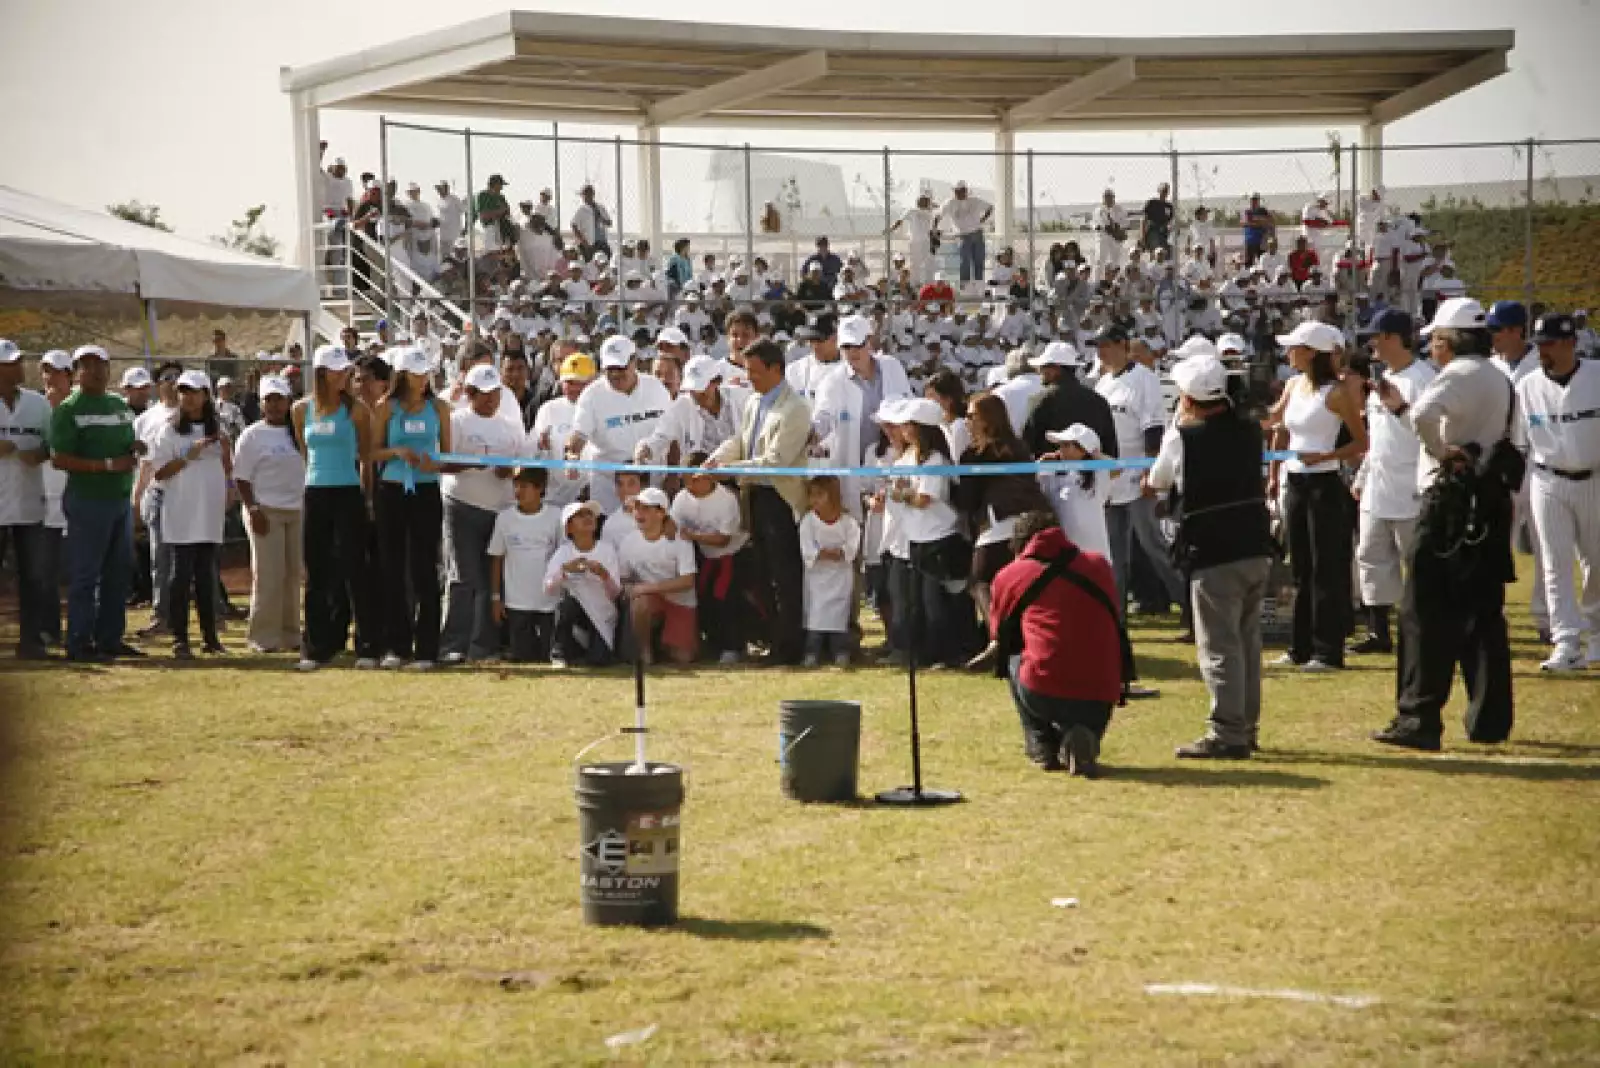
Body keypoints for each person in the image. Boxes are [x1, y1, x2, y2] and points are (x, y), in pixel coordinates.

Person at [1371, 298, 1520, 750]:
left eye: (1436, 339)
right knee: (1483, 616)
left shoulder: (1458, 375)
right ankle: (1489, 719)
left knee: (1423, 612)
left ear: (1451, 340)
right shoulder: (1497, 375)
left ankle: (1418, 717)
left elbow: (1422, 416)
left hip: (1450, 502)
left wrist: (1440, 452)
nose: (1432, 348)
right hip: (1489, 500)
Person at [1146, 354, 1276, 758]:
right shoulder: (1250, 430)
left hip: (1213, 550)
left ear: (1186, 397)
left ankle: (1227, 731)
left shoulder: (1182, 437)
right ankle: (1245, 725)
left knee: (1219, 645)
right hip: (1255, 543)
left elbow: (1158, 479)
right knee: (1247, 643)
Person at [1263, 321, 1367, 671]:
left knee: (1327, 569)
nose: (1289, 353)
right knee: (1301, 568)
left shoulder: (1336, 394)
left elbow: (1360, 442)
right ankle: (1300, 647)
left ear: (1311, 353)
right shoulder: (1294, 385)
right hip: (1296, 484)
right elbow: (1273, 420)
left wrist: (1324, 457)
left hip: (1325, 486)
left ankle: (1328, 650)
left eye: (1295, 347)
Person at [989, 511, 1125, 777]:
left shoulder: (1010, 574)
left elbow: (999, 633)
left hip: (1045, 686)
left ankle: (1041, 744)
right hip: (1104, 687)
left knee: (1014, 656)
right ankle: (1083, 735)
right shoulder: (1099, 565)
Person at [706, 340, 812, 665]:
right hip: (754, 497)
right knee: (762, 573)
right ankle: (772, 640)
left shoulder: (795, 409)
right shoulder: (754, 401)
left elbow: (775, 460)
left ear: (775, 369)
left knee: (785, 576)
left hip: (780, 500)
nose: (748, 376)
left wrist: (729, 471)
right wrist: (716, 460)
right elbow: (742, 441)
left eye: (754, 371)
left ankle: (790, 646)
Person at [1516, 313, 1600, 671]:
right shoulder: (1528, 385)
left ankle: (1597, 636)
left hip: (1595, 476)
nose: (1542, 351)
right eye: (1539, 345)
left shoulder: (1597, 376)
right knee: (1554, 564)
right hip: (1548, 478)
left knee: (1597, 562)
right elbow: (1521, 441)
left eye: (1549, 344)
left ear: (1569, 343)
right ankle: (1565, 642)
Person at [50, 345, 144, 663]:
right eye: (86, 366)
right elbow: (59, 458)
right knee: (86, 575)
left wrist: (134, 446)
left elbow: (124, 442)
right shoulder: (69, 409)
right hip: (88, 499)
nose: (94, 371)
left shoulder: (118, 404)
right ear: (76, 372)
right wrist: (105, 465)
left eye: (99, 364)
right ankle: (78, 641)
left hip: (119, 498)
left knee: (118, 573)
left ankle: (109, 638)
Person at [1350, 309, 1435, 656]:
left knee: (1417, 564)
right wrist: (1363, 475)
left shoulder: (1423, 379)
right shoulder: (1381, 380)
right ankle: (1378, 631)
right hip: (1379, 486)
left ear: (1392, 338)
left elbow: (1430, 433)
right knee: (1371, 557)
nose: (1372, 343)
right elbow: (1379, 438)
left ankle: (1426, 630)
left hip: (1412, 486)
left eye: (1376, 336)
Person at [293, 345, 380, 671]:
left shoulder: (357, 410)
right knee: (316, 571)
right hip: (316, 492)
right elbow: (306, 451)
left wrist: (367, 498)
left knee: (356, 569)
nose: (346, 375)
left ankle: (367, 646)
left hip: (348, 493)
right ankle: (317, 646)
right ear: (321, 373)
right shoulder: (301, 410)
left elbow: (366, 458)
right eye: (339, 370)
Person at [1094, 324, 1187, 615]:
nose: (1101, 352)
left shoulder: (1144, 379)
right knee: (1114, 552)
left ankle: (1191, 607)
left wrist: (1150, 471)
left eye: (1106, 345)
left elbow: (1153, 428)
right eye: (1098, 346)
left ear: (1122, 344)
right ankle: (1115, 614)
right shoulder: (1102, 384)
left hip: (1138, 475)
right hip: (1111, 479)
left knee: (1153, 545)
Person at [372, 346, 451, 670]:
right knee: (392, 568)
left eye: (425, 373)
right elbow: (371, 452)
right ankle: (396, 645)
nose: (422, 380)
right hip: (391, 491)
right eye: (416, 374)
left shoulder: (440, 407)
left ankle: (427, 649)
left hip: (426, 492)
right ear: (401, 375)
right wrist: (396, 452)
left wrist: (437, 465)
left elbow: (449, 455)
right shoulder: (385, 407)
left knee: (424, 568)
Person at [440, 363, 523, 665]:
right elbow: (441, 462)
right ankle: (453, 644)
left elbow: (520, 465)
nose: (490, 400)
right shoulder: (455, 421)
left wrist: (508, 471)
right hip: (460, 505)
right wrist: (468, 463)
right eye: (484, 394)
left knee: (490, 581)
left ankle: (483, 645)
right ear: (470, 393)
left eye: (495, 394)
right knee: (462, 577)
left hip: (498, 510)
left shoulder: (510, 427)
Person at [149, 371, 231, 659]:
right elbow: (159, 472)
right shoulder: (168, 431)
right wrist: (187, 457)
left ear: (206, 395)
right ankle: (180, 638)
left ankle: (211, 638)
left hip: (208, 512)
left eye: (195, 391)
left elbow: (227, 464)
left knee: (207, 576)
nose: (188, 397)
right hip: (181, 512)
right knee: (180, 576)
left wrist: (228, 489)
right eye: (184, 391)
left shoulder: (217, 430)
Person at [892, 398, 975, 669]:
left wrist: (902, 493)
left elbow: (924, 498)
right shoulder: (905, 458)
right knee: (918, 601)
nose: (903, 429)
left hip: (939, 538)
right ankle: (925, 652)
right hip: (915, 537)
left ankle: (949, 654)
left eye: (909, 425)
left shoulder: (936, 460)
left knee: (936, 602)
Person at [1486, 300, 1549, 642]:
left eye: (1497, 329)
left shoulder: (1539, 363)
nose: (1492, 337)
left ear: (1515, 330)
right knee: (1498, 542)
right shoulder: (1490, 365)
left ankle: (1547, 619)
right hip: (1501, 459)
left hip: (1538, 458)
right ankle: (1492, 614)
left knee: (1545, 543)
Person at [955, 393, 1050, 620]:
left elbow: (968, 500)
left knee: (979, 582)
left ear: (987, 418)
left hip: (999, 524)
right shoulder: (1019, 447)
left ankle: (999, 637)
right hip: (1033, 523)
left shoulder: (974, 455)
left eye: (971, 416)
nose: (966, 422)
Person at [233, 375, 305, 654]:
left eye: (280, 399)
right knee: (268, 574)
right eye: (269, 399)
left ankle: (291, 633)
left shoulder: (297, 431)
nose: (275, 405)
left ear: (289, 402)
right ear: (261, 403)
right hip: (265, 510)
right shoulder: (252, 435)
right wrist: (253, 508)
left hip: (296, 509)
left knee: (292, 574)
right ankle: (263, 636)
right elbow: (241, 477)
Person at [811, 314, 913, 512]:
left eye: (858, 345)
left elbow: (907, 407)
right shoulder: (832, 381)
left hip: (892, 461)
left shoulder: (892, 366)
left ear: (869, 342)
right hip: (854, 466)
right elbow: (822, 417)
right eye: (847, 347)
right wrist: (811, 434)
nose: (853, 352)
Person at [565, 336, 670, 513]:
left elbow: (670, 429)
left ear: (634, 361)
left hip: (652, 483)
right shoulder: (591, 395)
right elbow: (579, 434)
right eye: (610, 369)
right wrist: (572, 454)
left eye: (620, 368)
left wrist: (670, 473)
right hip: (609, 488)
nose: (615, 374)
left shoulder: (656, 387)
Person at [0, 339, 55, 658]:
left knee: (34, 576)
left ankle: (31, 640)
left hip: (28, 503)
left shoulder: (37, 404)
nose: (20, 367)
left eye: (19, 360)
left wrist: (40, 454)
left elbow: (53, 444)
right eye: (12, 362)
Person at [672, 456, 748, 664]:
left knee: (725, 598)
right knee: (704, 598)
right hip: (705, 556)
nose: (689, 485)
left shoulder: (727, 500)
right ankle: (713, 643)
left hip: (730, 555)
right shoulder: (681, 499)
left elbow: (723, 539)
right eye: (686, 480)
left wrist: (694, 536)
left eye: (694, 479)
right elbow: (674, 529)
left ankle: (733, 646)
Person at [489, 467, 563, 663]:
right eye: (516, 485)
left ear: (540, 488)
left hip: (549, 602)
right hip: (516, 604)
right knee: (524, 656)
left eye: (525, 486)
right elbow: (497, 557)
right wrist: (496, 598)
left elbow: (564, 555)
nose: (518, 491)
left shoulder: (556, 516)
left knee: (548, 656)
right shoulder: (504, 518)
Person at [617, 487, 697, 665]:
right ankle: (645, 652)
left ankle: (662, 641)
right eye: (637, 507)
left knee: (683, 657)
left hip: (680, 602)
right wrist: (629, 588)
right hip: (650, 600)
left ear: (661, 513)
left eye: (646, 508)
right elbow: (624, 578)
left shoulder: (680, 540)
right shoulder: (628, 541)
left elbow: (687, 581)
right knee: (640, 601)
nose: (638, 512)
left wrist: (647, 587)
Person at [544, 501, 621, 667]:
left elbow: (615, 593)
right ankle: (559, 652)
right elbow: (548, 588)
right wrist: (565, 570)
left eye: (589, 514)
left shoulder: (607, 550)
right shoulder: (564, 552)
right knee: (566, 604)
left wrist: (604, 575)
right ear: (569, 528)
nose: (587, 518)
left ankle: (586, 647)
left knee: (599, 661)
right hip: (575, 612)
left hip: (602, 615)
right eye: (579, 516)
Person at [798, 475, 860, 667]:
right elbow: (807, 547)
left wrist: (841, 552)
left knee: (839, 614)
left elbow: (852, 544)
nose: (814, 500)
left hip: (840, 576)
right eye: (812, 495)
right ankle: (812, 653)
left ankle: (841, 652)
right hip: (817, 578)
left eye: (820, 495)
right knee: (816, 615)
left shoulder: (848, 521)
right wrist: (820, 553)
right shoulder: (808, 521)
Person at [1020, 341, 1116, 461]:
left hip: (1051, 476)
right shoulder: (1100, 402)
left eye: (1043, 366)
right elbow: (1111, 449)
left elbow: (1026, 446)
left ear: (1055, 368)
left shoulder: (1041, 400)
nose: (1040, 371)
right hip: (1093, 475)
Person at [530, 352, 594, 509]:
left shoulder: (604, 408)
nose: (576, 388)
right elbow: (529, 451)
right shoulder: (549, 409)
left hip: (593, 499)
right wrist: (539, 445)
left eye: (582, 383)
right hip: (555, 501)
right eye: (570, 382)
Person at [1038, 424, 1110, 559]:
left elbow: (1117, 467)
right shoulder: (1053, 476)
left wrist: (1095, 454)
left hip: (1096, 557)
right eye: (1060, 445)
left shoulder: (1098, 478)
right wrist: (1040, 463)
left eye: (1066, 445)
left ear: (1083, 450)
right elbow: (1034, 484)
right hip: (1066, 556)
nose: (1060, 450)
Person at [938, 181, 993, 286]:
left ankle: (979, 286)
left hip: (977, 234)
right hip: (962, 236)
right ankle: (965, 287)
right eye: (957, 191)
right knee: (965, 262)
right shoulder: (950, 203)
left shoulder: (975, 200)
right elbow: (939, 214)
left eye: (962, 190)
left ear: (966, 190)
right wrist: (934, 227)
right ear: (954, 191)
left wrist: (983, 219)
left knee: (979, 262)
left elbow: (990, 207)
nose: (960, 193)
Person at [888, 193, 937, 286]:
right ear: (917, 202)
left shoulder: (930, 212)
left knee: (929, 263)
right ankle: (915, 283)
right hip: (915, 241)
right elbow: (900, 220)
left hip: (927, 242)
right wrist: (891, 229)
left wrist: (931, 205)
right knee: (915, 264)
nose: (924, 203)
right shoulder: (912, 211)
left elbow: (937, 208)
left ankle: (929, 283)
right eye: (921, 201)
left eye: (926, 201)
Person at [1091, 189, 1129, 279]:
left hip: (1116, 239)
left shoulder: (1120, 209)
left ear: (1114, 198)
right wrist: (1098, 227)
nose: (1108, 199)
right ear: (1103, 199)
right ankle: (1097, 282)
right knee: (1100, 260)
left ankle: (1115, 282)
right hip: (1103, 238)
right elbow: (1099, 224)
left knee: (1115, 261)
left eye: (1110, 197)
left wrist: (1118, 229)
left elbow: (1125, 223)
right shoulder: (1098, 210)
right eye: (1106, 197)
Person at [570, 183, 613, 261]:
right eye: (583, 195)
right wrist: (582, 241)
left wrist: (602, 219)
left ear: (592, 194)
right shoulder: (582, 210)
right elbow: (573, 225)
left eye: (587, 194)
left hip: (602, 242)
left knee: (607, 262)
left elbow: (609, 223)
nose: (585, 197)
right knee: (590, 265)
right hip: (589, 244)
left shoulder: (601, 208)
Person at [1240, 193, 1275, 265]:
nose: (1254, 202)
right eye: (1253, 200)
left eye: (1256, 200)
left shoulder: (1263, 211)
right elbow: (1243, 223)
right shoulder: (1247, 211)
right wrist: (1260, 222)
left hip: (1262, 242)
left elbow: (1271, 221)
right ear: (1250, 201)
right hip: (1250, 241)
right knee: (1248, 264)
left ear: (1259, 201)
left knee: (1263, 263)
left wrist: (1256, 221)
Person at [1140, 182, 1174, 253]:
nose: (1165, 192)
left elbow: (1170, 222)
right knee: (1155, 252)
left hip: (1164, 233)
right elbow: (1144, 220)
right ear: (1159, 190)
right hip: (1153, 232)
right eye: (1163, 190)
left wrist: (1169, 229)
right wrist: (1142, 237)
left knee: (1164, 253)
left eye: (1166, 190)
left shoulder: (1169, 206)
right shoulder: (1152, 203)